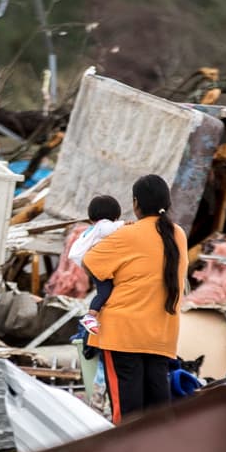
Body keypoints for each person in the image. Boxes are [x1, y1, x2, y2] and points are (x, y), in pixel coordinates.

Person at [83, 175, 188, 423]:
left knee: (128, 412)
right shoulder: (178, 235)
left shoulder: (127, 234)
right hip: (161, 335)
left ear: (135, 203)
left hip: (123, 334)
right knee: (158, 411)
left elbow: (90, 262)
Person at [66, 195, 125, 335]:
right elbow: (110, 229)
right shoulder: (103, 225)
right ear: (114, 215)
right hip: (95, 265)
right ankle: (90, 317)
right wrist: (125, 225)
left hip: (90, 264)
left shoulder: (93, 228)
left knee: (103, 291)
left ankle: (92, 315)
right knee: (105, 291)